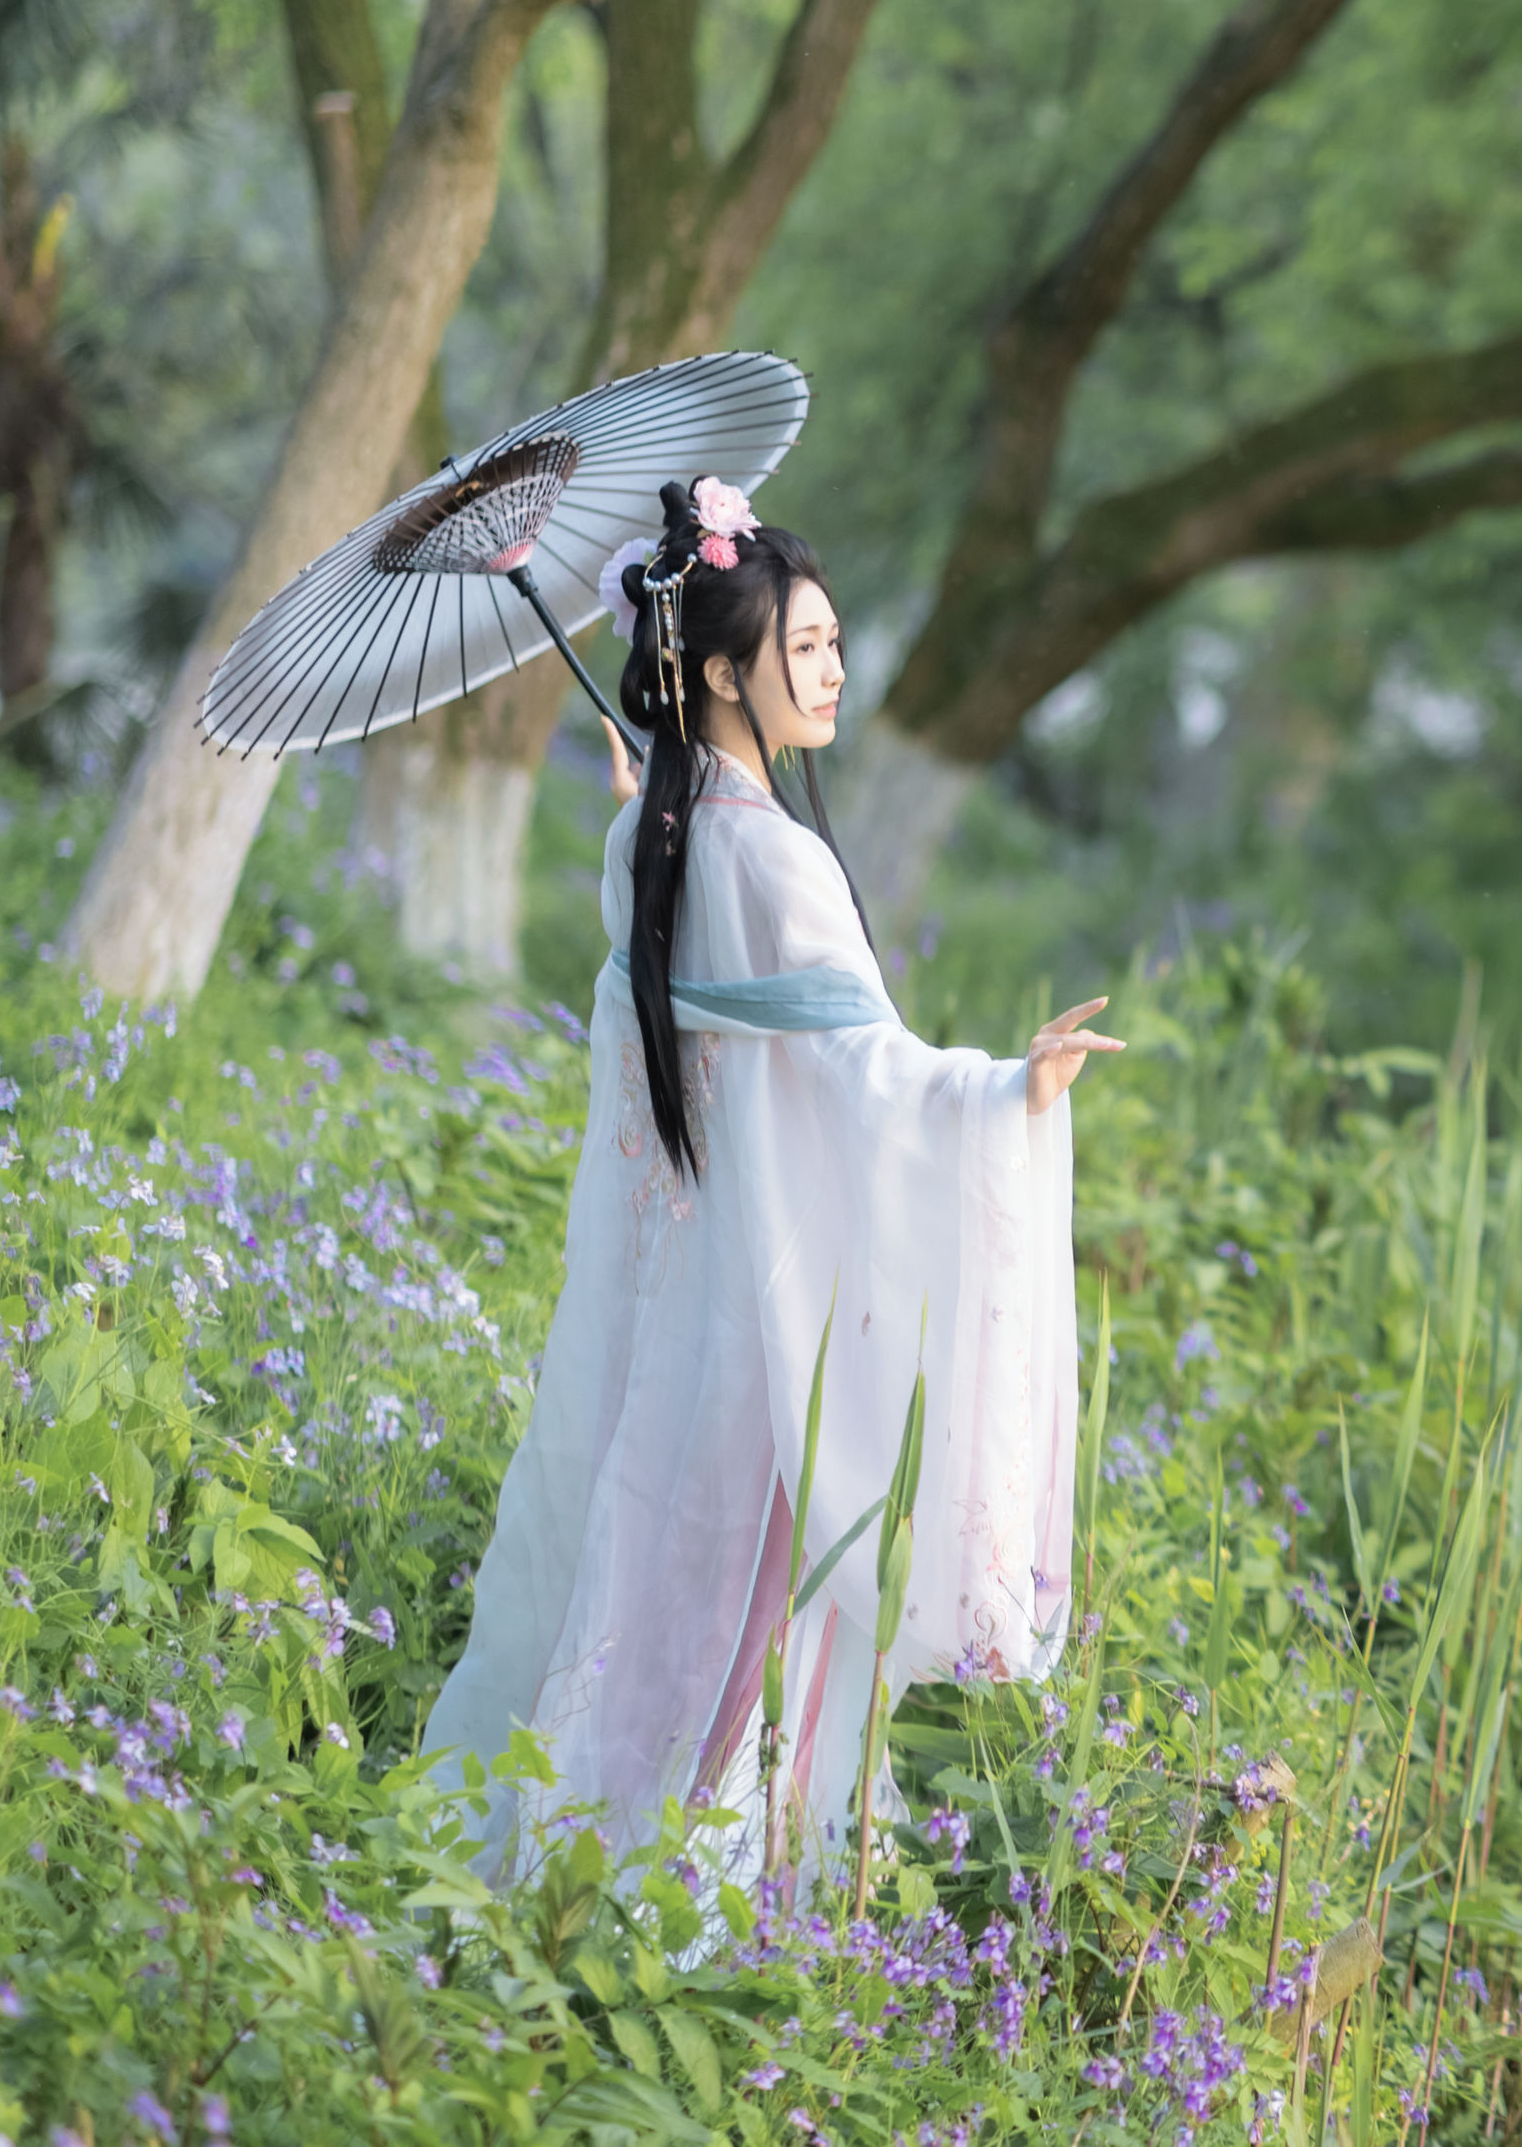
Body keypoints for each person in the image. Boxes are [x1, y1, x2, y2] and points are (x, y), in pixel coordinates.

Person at [421, 474, 1122, 1880]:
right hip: (764, 1315)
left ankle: (573, 1864)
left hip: (664, 1297)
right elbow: (873, 1073)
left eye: (834, 643)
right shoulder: (771, 860)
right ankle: (669, 1896)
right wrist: (1008, 1094)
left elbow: (680, 1024)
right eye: (804, 646)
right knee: (737, 1616)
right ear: (722, 670)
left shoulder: (649, 841)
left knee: (636, 1582)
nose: (833, 670)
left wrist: (659, 817)